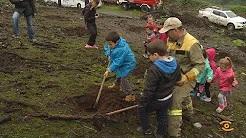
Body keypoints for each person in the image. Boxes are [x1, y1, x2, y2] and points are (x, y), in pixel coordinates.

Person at [159, 17, 205, 137]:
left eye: (168, 32)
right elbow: (169, 55)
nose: (166, 35)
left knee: (174, 100)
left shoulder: (192, 43)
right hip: (174, 75)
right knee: (182, 96)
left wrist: (187, 78)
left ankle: (174, 133)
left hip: (187, 78)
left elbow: (200, 65)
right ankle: (189, 114)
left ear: (175, 30)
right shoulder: (171, 39)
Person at [137, 39, 181, 138]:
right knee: (162, 114)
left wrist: (143, 101)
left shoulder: (154, 69)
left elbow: (149, 90)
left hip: (156, 99)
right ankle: (160, 133)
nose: (149, 57)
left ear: (156, 55)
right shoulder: (176, 63)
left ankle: (146, 130)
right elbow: (178, 79)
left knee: (142, 110)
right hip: (168, 97)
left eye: (150, 55)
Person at [103, 31, 136, 102]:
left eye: (110, 44)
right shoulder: (112, 43)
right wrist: (109, 54)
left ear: (117, 42)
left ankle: (130, 94)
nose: (109, 45)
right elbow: (107, 47)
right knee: (119, 73)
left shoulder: (122, 49)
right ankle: (117, 85)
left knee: (123, 77)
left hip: (128, 64)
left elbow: (117, 62)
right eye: (108, 44)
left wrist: (109, 70)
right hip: (121, 62)